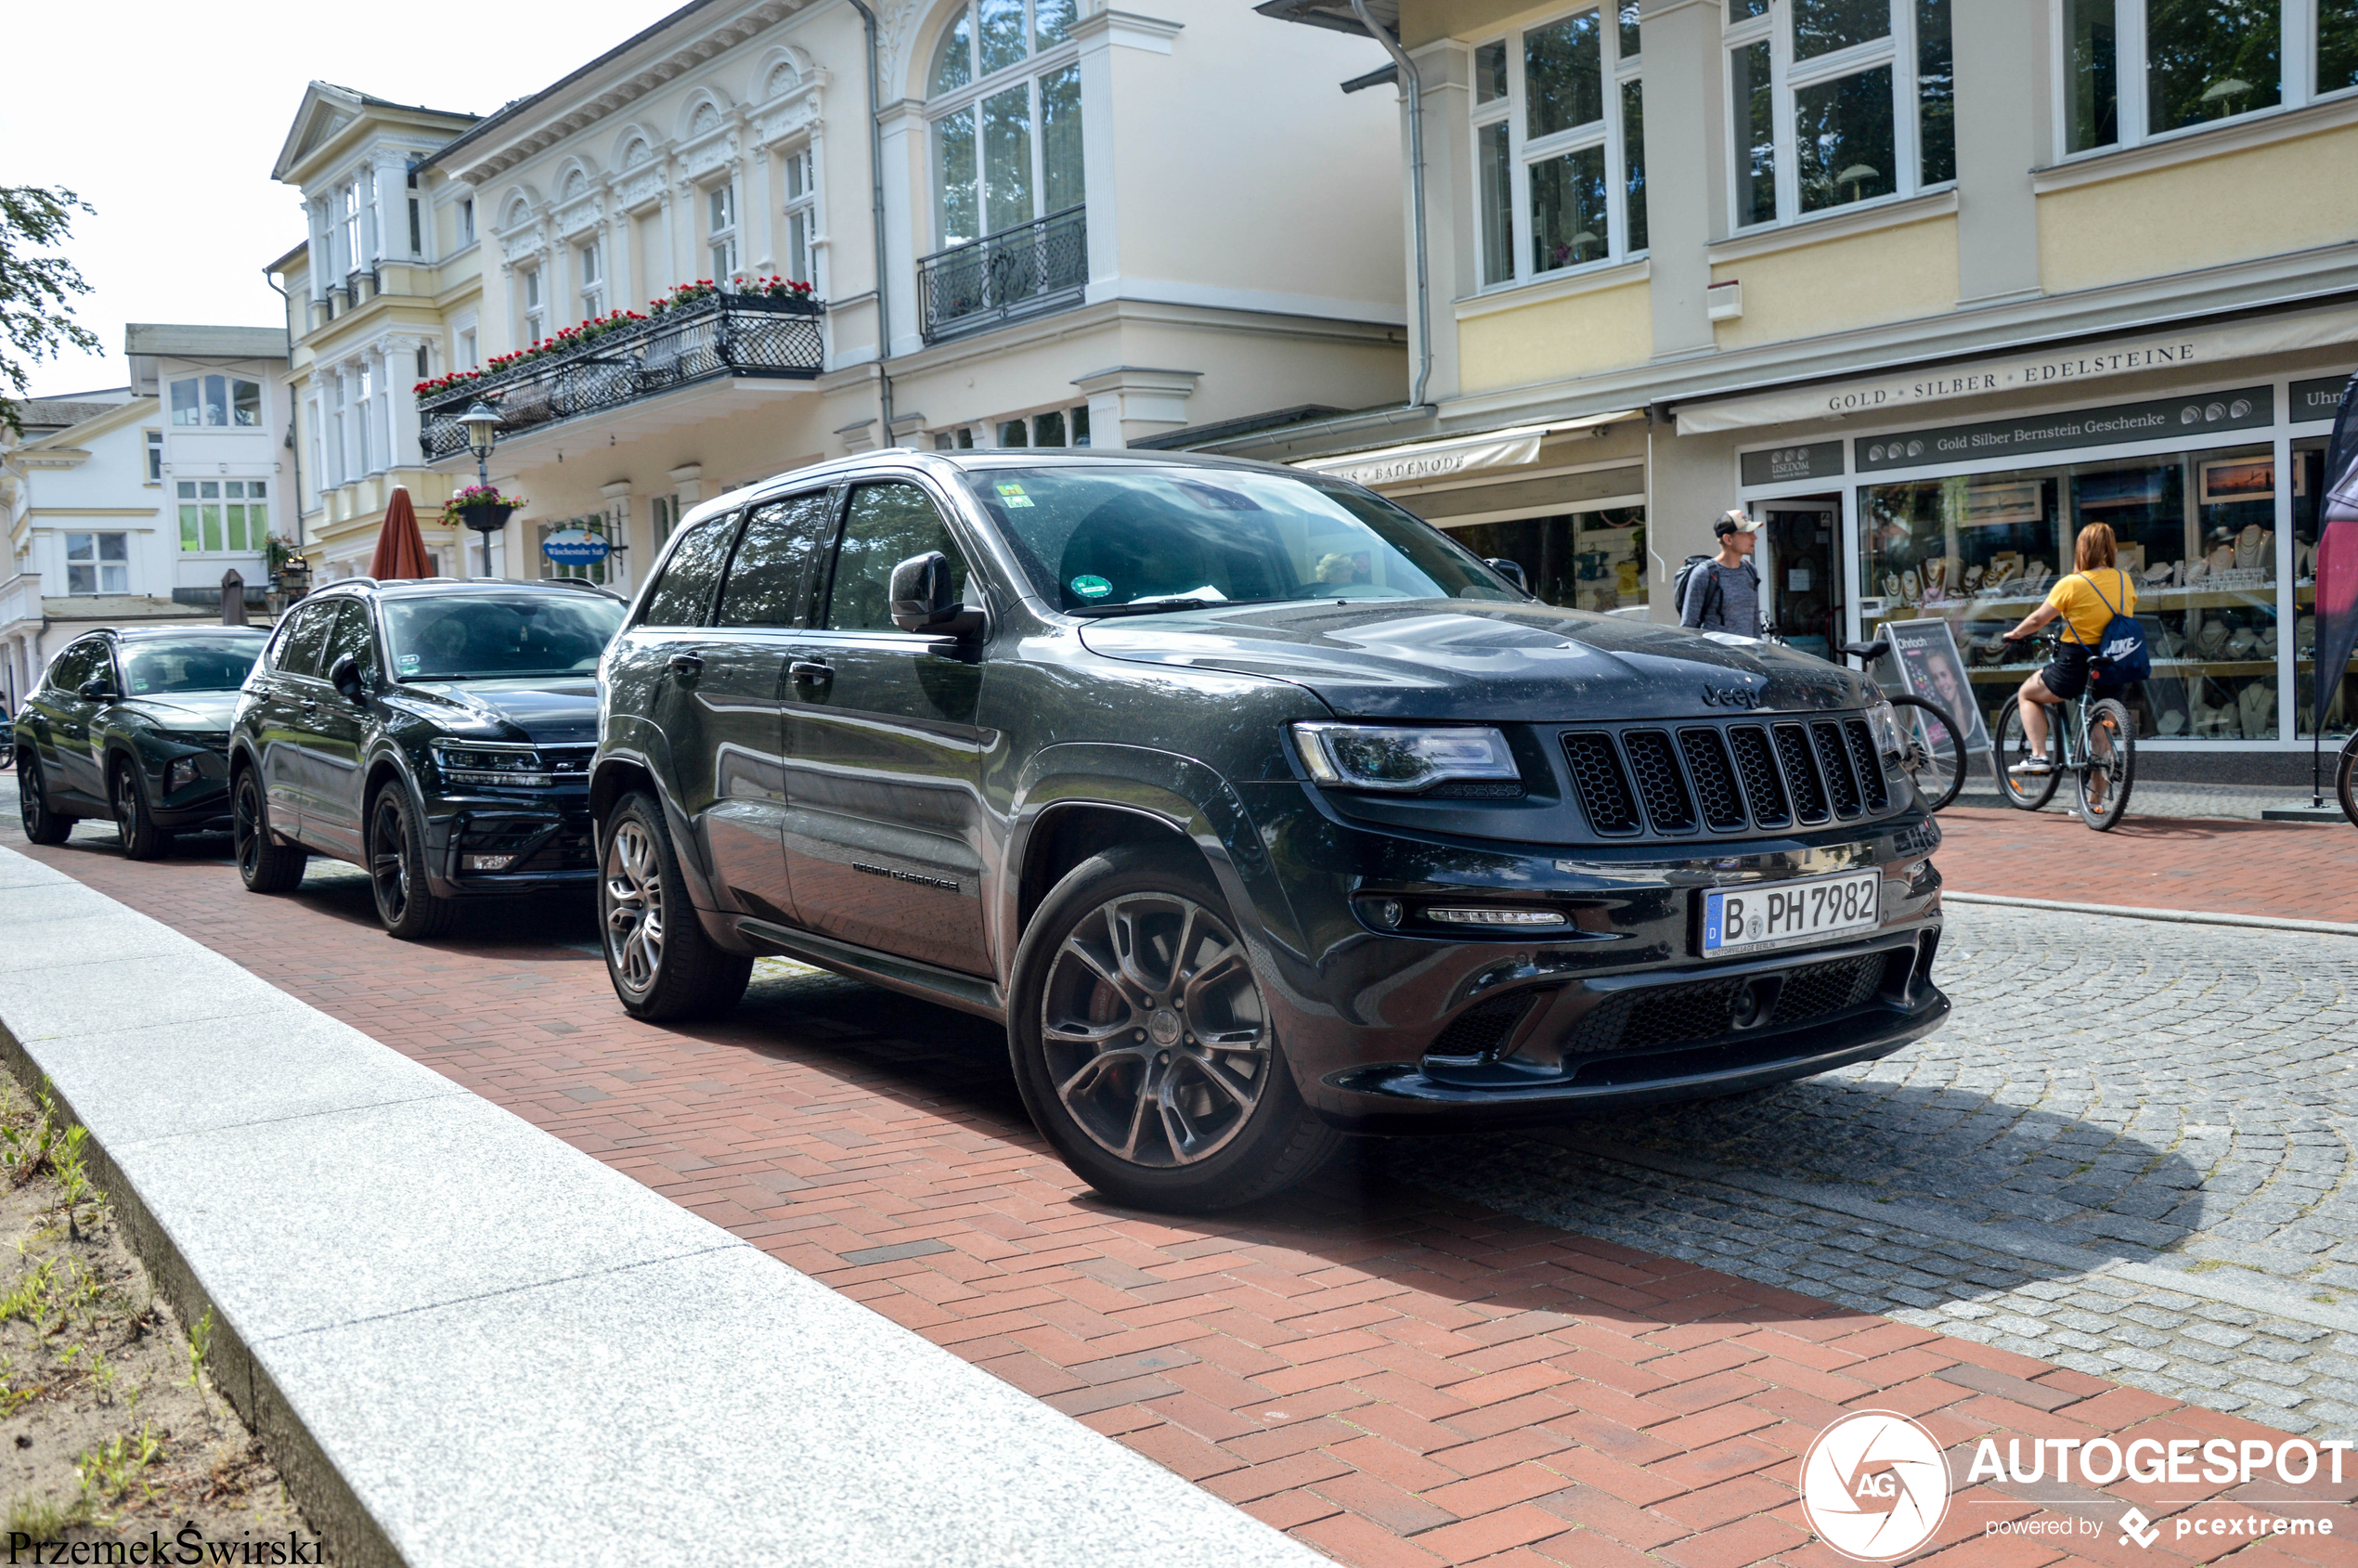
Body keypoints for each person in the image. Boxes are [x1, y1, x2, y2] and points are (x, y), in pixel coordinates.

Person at [1999, 522, 2138, 775]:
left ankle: (2039, 756)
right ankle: (2096, 806)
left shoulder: (2072, 584)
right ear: (2111, 548)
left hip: (2077, 663)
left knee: (2027, 694)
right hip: (2117, 662)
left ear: (2082, 549)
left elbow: (2038, 620)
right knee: (2100, 737)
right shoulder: (2124, 580)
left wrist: (2015, 634)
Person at [1680, 511, 1763, 634]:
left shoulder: (1750, 571)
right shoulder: (1704, 574)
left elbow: (1755, 621)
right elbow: (1688, 626)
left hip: (1747, 652)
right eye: (1747, 533)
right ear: (1728, 539)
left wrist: (1758, 650)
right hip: (1715, 652)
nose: (1754, 537)